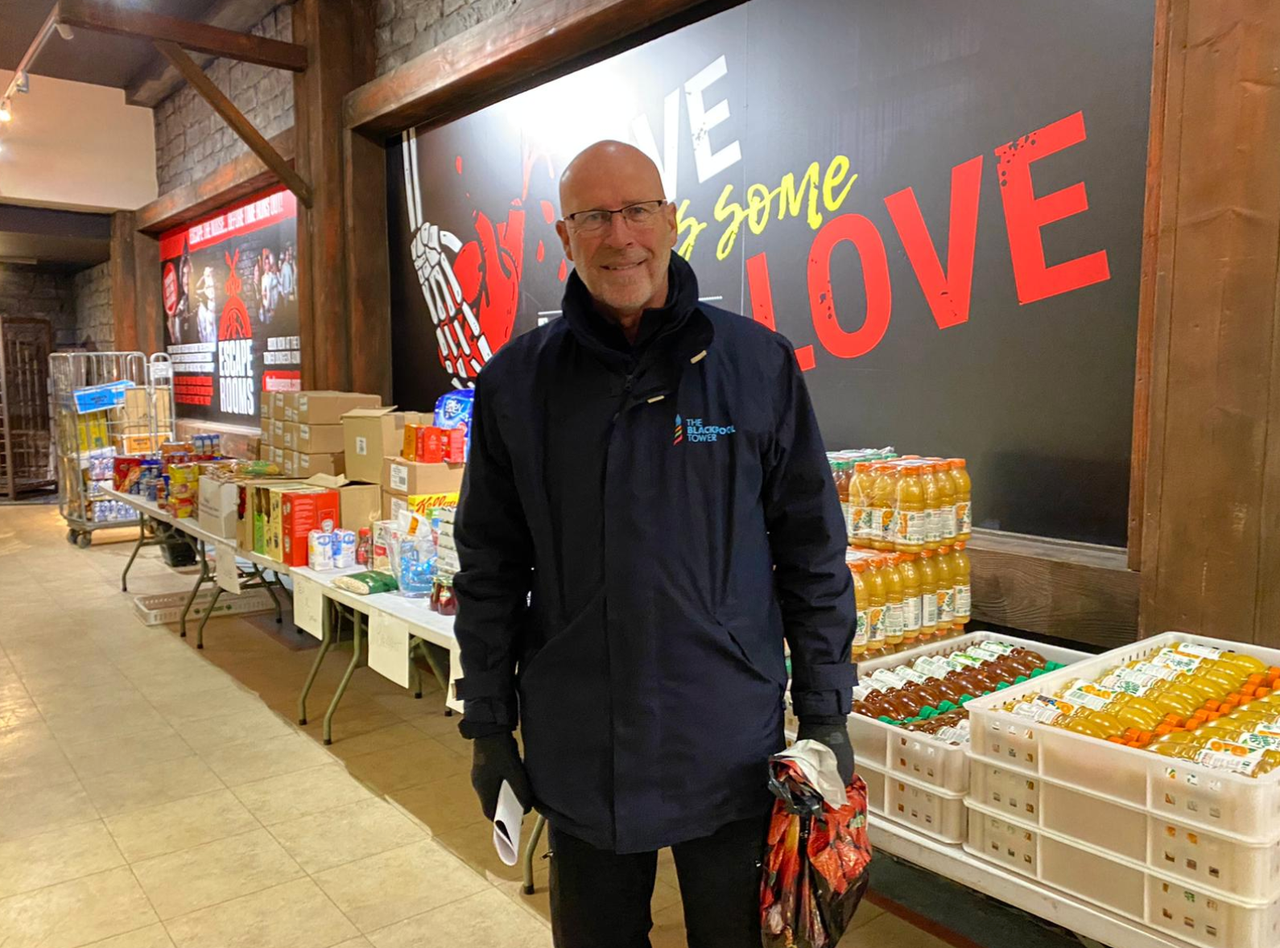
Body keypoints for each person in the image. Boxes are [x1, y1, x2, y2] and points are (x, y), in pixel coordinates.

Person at [453, 140, 856, 948]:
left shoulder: (756, 367)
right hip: (580, 743)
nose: (619, 235)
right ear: (564, 237)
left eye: (637, 210)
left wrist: (824, 711)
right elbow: (491, 571)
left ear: (671, 220)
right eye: (594, 217)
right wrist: (490, 725)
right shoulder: (514, 386)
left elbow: (811, 554)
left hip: (727, 742)